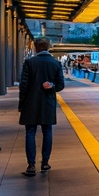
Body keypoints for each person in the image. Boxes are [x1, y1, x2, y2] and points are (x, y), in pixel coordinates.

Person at [19, 37, 66, 175]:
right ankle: (45, 163)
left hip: (30, 103)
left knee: (30, 133)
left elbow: (24, 86)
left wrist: (21, 104)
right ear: (48, 47)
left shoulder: (29, 62)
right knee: (47, 132)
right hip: (48, 103)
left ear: (35, 47)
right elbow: (60, 85)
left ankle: (31, 166)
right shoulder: (55, 64)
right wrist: (51, 86)